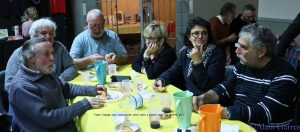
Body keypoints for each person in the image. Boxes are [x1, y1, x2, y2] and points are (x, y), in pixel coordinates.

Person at [193, 24, 297, 127]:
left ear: (261, 51)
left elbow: (264, 112)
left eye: (243, 47)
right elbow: (223, 90)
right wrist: (203, 98)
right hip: (239, 124)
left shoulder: (284, 75)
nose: (237, 51)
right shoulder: (243, 66)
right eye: (237, 45)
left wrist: (224, 112)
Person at [8, 38, 106, 131]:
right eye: (47, 54)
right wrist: (84, 104)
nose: (52, 58)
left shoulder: (45, 71)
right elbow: (49, 119)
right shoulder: (21, 87)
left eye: (52, 53)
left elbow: (66, 88)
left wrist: (92, 89)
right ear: (31, 59)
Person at [153, 17, 226, 96]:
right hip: (188, 97)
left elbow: (208, 87)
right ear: (189, 37)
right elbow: (173, 71)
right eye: (196, 33)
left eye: (204, 33)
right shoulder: (186, 51)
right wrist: (161, 80)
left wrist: (198, 62)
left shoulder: (216, 55)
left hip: (206, 102)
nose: (200, 36)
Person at [5, 18, 78, 92]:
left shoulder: (59, 47)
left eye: (51, 33)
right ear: (34, 35)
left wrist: (58, 81)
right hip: (32, 97)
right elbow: (9, 85)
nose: (48, 36)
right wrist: (40, 90)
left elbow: (72, 67)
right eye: (44, 33)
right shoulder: (19, 53)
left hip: (56, 92)